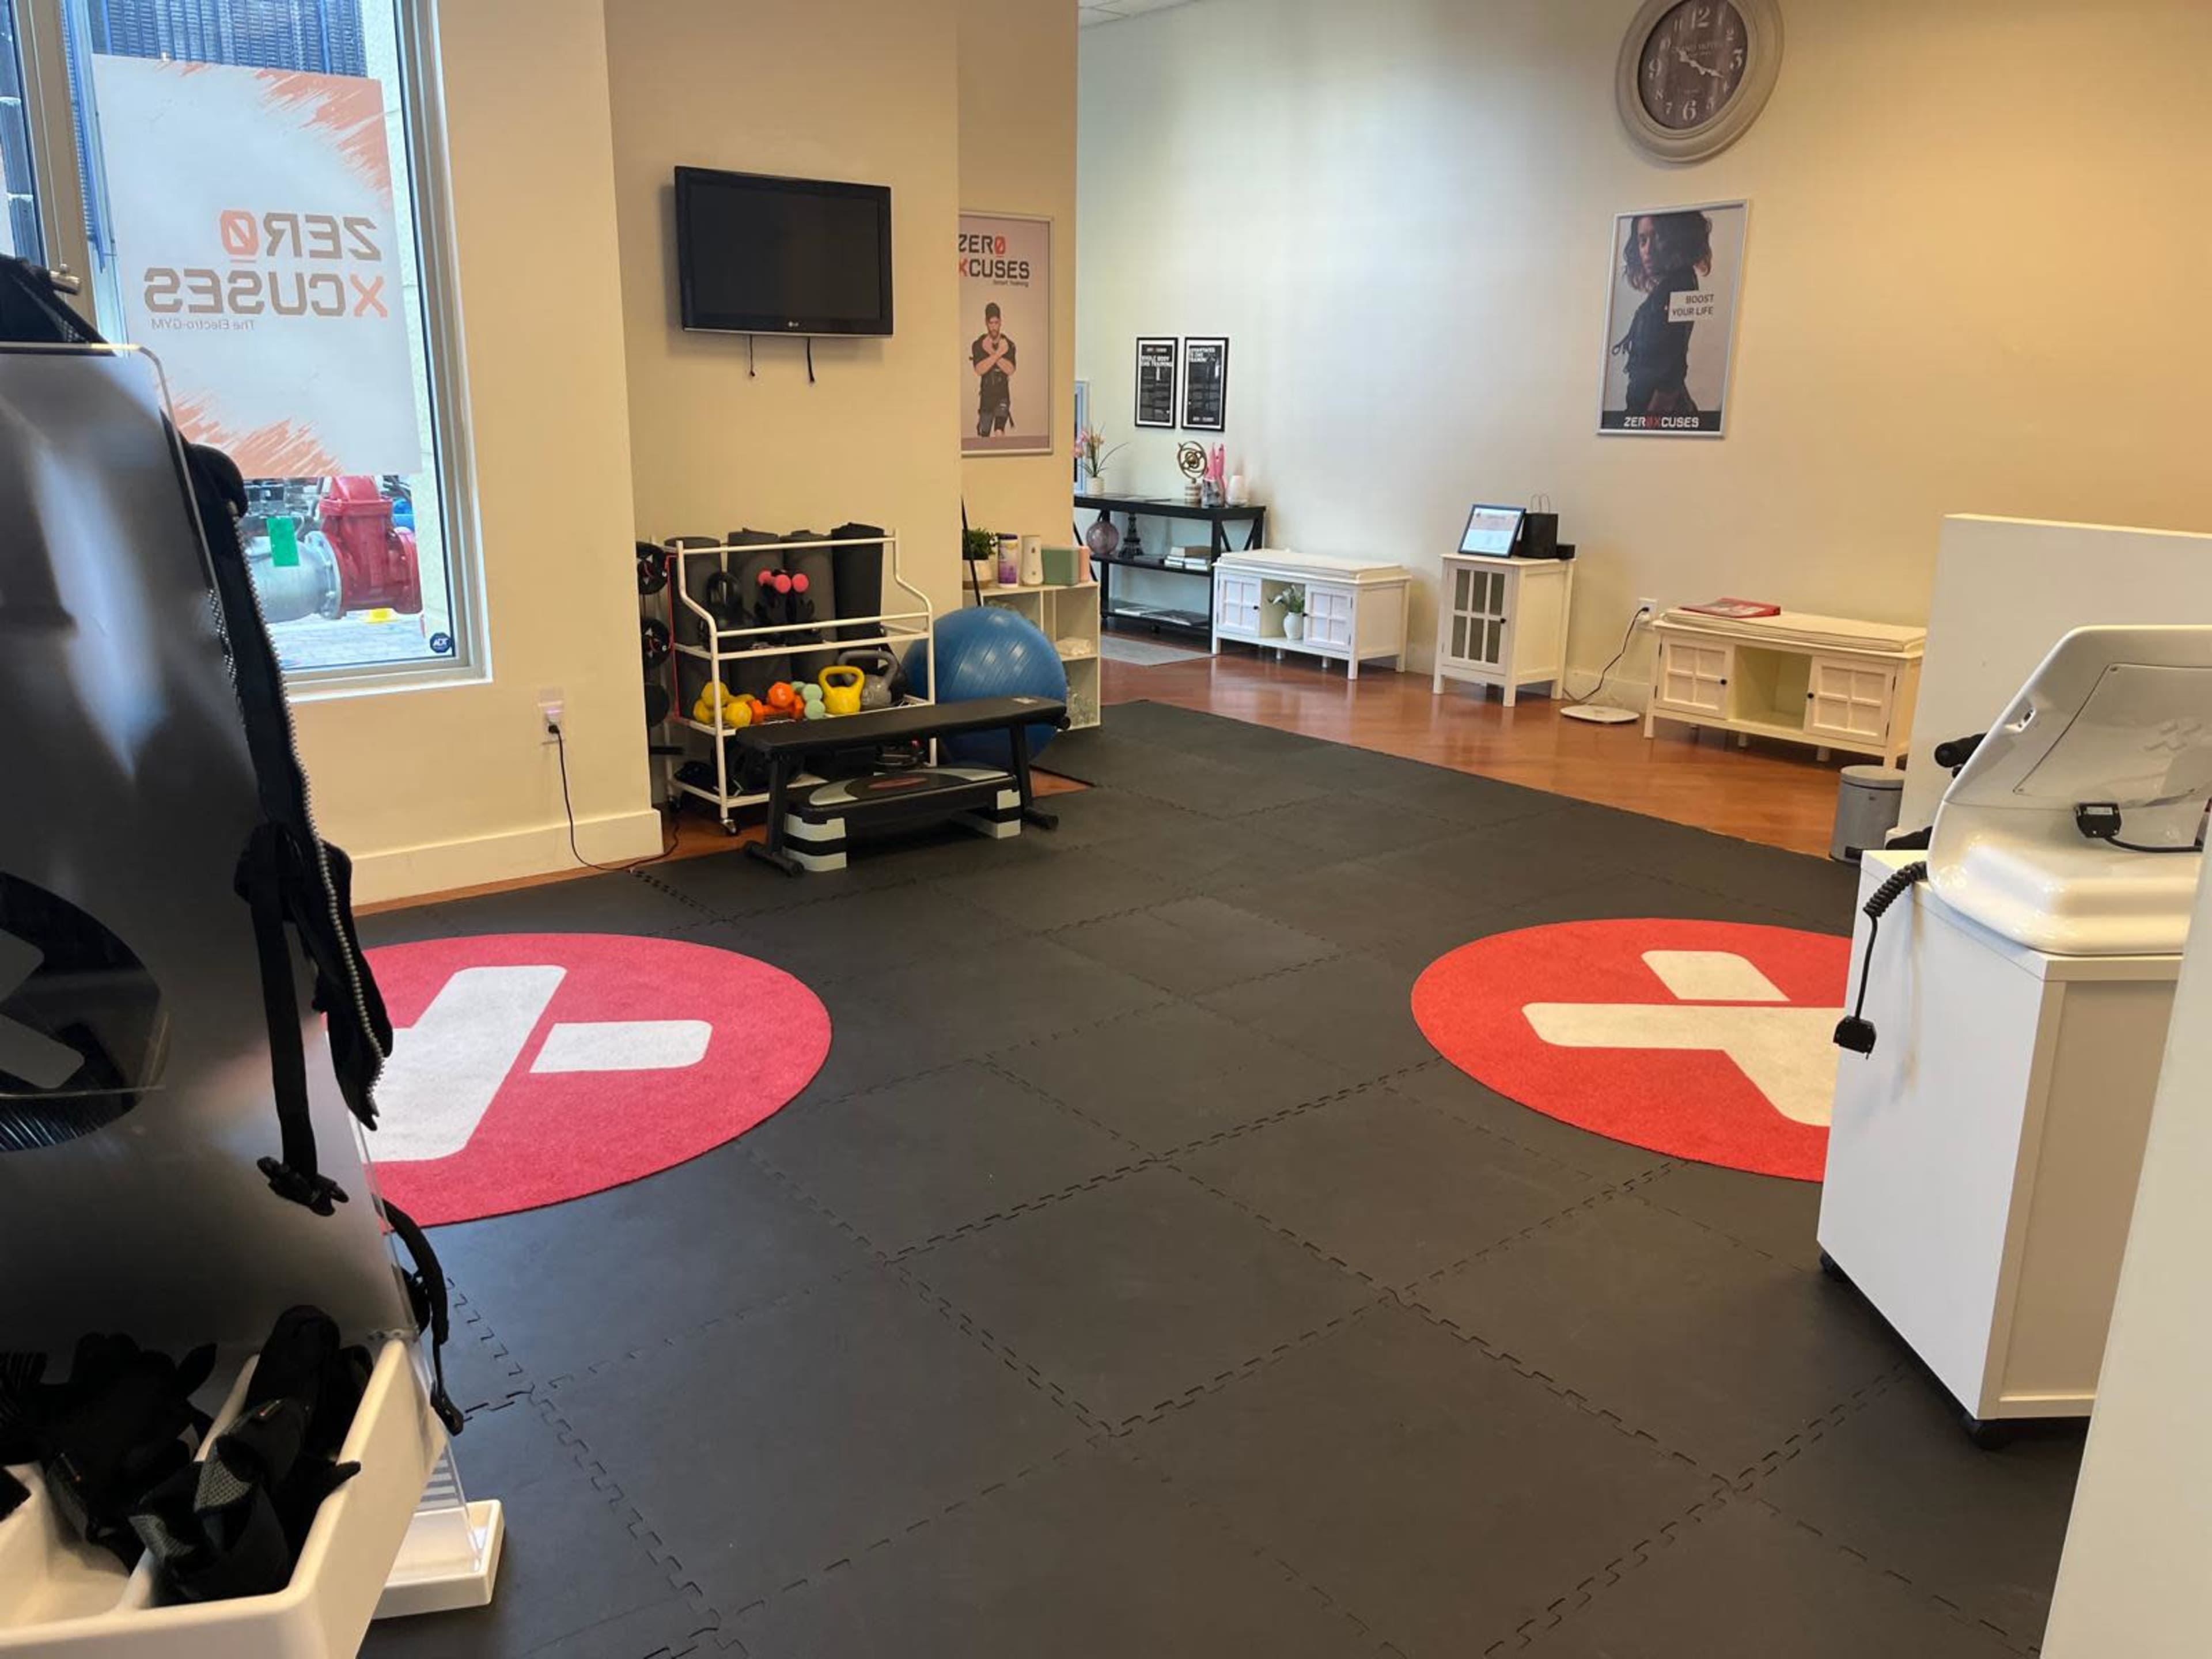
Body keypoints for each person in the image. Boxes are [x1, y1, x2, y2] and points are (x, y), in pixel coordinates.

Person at [1611, 209, 1714, 423]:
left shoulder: (1679, 285)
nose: (1647, 250)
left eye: (1658, 237)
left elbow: (1672, 375)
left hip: (1662, 416)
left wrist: (1648, 426)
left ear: (1676, 239)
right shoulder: (1672, 287)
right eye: (1642, 240)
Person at [971, 301, 1016, 438]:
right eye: (991, 323)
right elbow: (979, 370)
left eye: (996, 323)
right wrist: (997, 353)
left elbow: (1010, 370)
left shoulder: (1008, 344)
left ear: (1001, 322)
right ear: (986, 323)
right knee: (983, 436)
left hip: (1002, 395)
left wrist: (992, 353)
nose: (994, 327)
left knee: (999, 432)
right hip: (986, 397)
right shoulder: (979, 344)